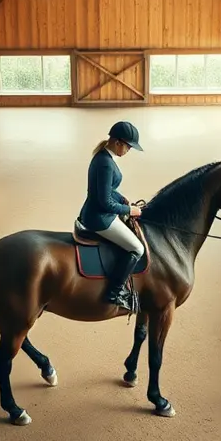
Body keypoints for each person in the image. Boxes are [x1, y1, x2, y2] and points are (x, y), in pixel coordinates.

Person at [78, 121, 146, 310]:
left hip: (96, 211)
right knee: (137, 248)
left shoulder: (104, 157)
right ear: (118, 142)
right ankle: (114, 292)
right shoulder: (105, 164)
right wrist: (129, 210)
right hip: (100, 218)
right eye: (128, 146)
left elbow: (107, 190)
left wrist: (122, 198)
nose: (128, 150)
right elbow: (104, 202)